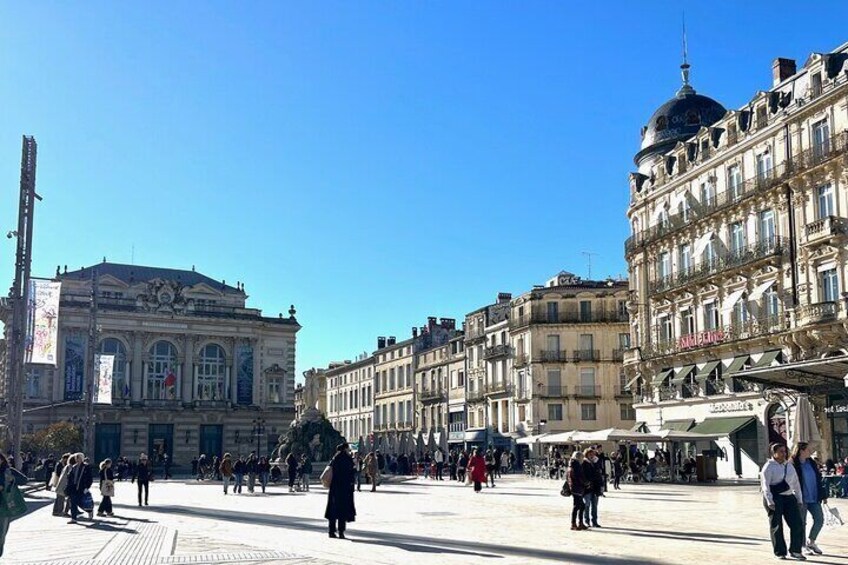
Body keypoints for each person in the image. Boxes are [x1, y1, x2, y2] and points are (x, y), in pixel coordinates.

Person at [761, 443, 805, 560]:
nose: (784, 454)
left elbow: (796, 483)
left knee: (797, 524)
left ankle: (796, 550)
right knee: (777, 525)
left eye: (785, 451)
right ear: (774, 453)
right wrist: (770, 501)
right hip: (775, 498)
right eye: (781, 451)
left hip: (789, 497)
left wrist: (799, 499)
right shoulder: (768, 467)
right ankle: (780, 552)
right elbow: (765, 486)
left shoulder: (789, 466)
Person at [791, 443, 827, 555]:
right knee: (802, 522)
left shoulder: (811, 462)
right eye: (808, 449)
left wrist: (823, 495)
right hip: (801, 498)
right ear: (801, 451)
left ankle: (811, 541)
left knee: (819, 519)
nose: (810, 451)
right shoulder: (793, 464)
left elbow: (818, 479)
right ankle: (802, 545)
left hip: (814, 497)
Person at [325, 443, 356, 539]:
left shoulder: (334, 459)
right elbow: (351, 473)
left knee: (333, 510)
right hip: (345, 488)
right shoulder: (348, 459)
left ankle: (331, 531)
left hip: (334, 488)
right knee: (343, 510)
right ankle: (341, 532)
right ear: (345, 449)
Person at [66, 453, 92, 523]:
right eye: (76, 458)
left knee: (82, 502)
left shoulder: (86, 467)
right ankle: (73, 518)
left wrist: (87, 487)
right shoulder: (74, 467)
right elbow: (70, 477)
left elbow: (89, 478)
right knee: (73, 502)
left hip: (82, 487)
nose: (77, 459)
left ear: (82, 459)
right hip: (74, 488)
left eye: (79, 458)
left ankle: (89, 511)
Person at [581, 448, 602, 528]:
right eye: (590, 454)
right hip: (588, 487)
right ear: (586, 454)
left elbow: (599, 474)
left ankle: (594, 521)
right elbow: (585, 475)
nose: (592, 455)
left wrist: (601, 485)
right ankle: (586, 521)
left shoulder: (596, 462)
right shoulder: (584, 463)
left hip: (595, 487)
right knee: (587, 505)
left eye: (593, 454)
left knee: (594, 505)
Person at [568, 451, 588, 530]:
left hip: (574, 487)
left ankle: (579, 522)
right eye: (582, 458)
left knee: (581, 505)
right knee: (577, 506)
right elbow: (579, 477)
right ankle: (574, 523)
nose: (583, 460)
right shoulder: (576, 466)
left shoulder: (571, 465)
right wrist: (585, 483)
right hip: (577, 487)